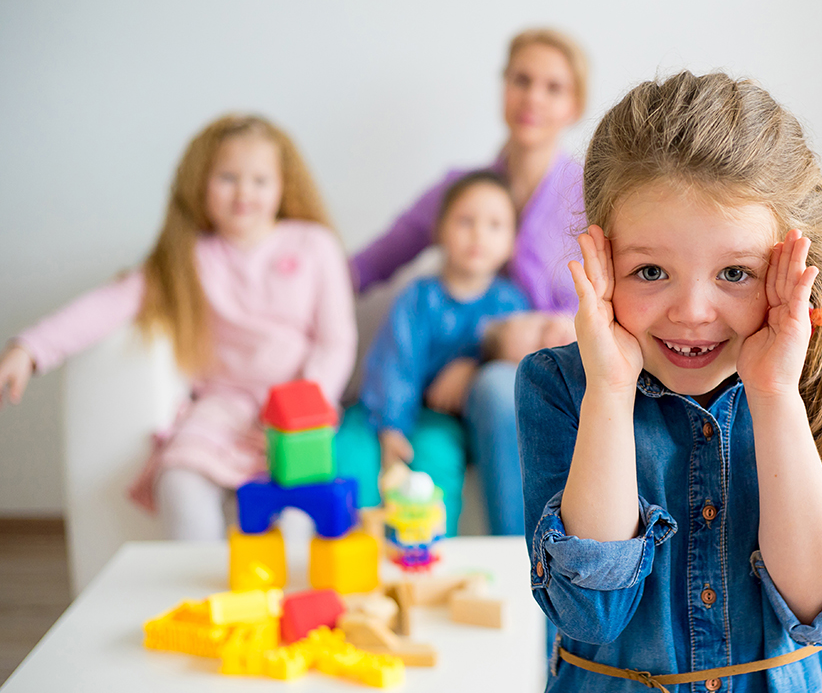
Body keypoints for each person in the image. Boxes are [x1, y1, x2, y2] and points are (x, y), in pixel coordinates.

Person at [516, 72, 822, 692]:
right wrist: (609, 387)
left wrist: (773, 396)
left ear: (794, 267)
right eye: (650, 270)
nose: (691, 311)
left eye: (735, 272)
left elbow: (821, 610)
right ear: (599, 259)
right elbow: (589, 613)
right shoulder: (559, 386)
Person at [0, 114, 356, 541]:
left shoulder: (314, 244)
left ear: (283, 186)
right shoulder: (187, 257)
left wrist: (303, 410)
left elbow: (336, 341)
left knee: (299, 512)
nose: (244, 192)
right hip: (223, 408)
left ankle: (280, 604)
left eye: (260, 180)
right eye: (227, 177)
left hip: (301, 410)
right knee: (178, 483)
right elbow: (109, 304)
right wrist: (31, 349)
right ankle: (201, 597)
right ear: (199, 184)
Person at [350, 28, 588, 535]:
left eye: (553, 87)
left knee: (504, 387)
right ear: (503, 87)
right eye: (521, 80)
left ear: (575, 105)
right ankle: (512, 568)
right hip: (476, 386)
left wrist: (478, 357)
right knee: (499, 391)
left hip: (568, 370)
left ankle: (533, 583)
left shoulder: (594, 196)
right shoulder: (463, 193)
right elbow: (367, 264)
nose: (533, 98)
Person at [335, 172, 531, 534]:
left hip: (444, 421)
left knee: (436, 460)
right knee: (349, 449)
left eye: (494, 225)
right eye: (465, 221)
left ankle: (427, 555)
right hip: (387, 409)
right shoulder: (418, 297)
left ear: (512, 242)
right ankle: (354, 548)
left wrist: (473, 365)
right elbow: (395, 363)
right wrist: (391, 427)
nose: (478, 235)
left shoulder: (510, 303)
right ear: (440, 230)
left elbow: (517, 364)